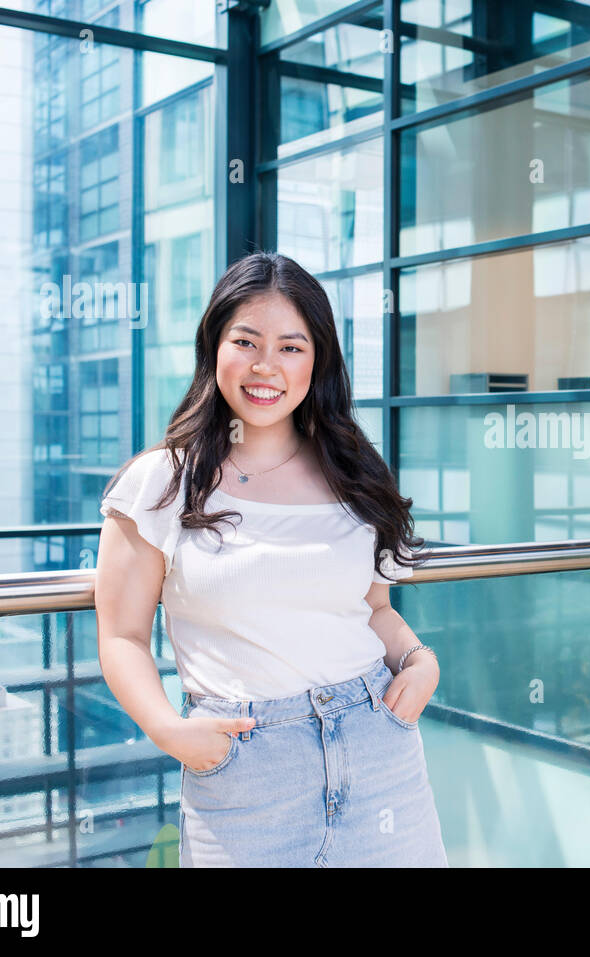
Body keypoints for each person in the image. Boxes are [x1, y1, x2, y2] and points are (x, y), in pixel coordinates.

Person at [93, 251, 448, 867]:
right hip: (245, 769)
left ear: (318, 360)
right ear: (214, 347)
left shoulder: (352, 473)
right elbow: (122, 634)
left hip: (378, 748)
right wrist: (169, 731)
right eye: (246, 341)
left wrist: (419, 660)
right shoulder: (161, 482)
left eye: (291, 347)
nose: (266, 367)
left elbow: (372, 609)